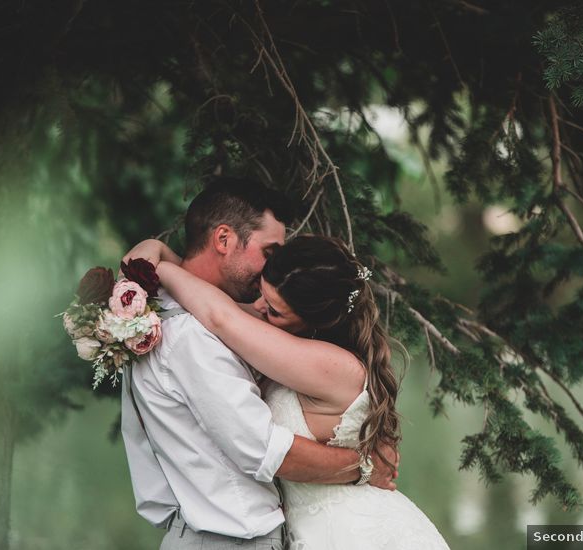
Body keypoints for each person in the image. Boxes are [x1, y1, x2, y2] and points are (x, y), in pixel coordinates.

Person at [118, 176, 399, 550]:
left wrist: (157, 263)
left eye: (277, 309)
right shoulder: (187, 334)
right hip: (229, 538)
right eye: (269, 252)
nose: (272, 270)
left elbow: (225, 315)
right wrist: (364, 466)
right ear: (223, 240)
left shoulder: (172, 320)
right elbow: (264, 449)